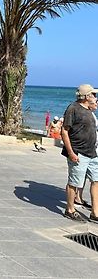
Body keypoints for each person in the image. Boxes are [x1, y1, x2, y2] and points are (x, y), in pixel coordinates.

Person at [61, 84, 98, 222]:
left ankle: (95, 213)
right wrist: (71, 152)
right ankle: (70, 210)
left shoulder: (89, 109)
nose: (95, 97)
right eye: (93, 94)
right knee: (74, 182)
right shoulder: (73, 108)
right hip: (78, 153)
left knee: (96, 180)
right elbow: (64, 131)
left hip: (92, 153)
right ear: (87, 96)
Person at [75, 98, 98, 210]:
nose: (97, 103)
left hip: (93, 149)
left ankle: (94, 209)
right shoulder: (84, 114)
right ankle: (77, 198)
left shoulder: (91, 114)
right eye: (95, 101)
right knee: (81, 176)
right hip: (85, 150)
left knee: (94, 178)